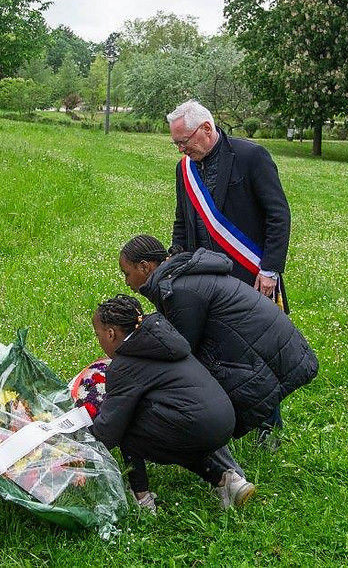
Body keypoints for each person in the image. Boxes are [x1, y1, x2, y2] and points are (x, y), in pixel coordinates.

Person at [117, 235, 319, 447]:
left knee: (225, 375)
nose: (126, 282)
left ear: (144, 267)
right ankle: (265, 429)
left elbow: (180, 350)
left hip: (269, 346)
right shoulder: (177, 277)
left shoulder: (180, 289)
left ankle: (267, 434)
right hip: (268, 341)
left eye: (127, 274)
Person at [167, 99, 292, 439]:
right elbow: (183, 219)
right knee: (215, 349)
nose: (181, 148)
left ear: (206, 129)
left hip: (249, 273)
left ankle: (270, 424)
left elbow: (278, 216)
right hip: (203, 277)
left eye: (184, 141)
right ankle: (232, 417)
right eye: (176, 143)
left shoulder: (252, 156)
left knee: (260, 351)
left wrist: (269, 271)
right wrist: (176, 260)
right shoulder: (185, 169)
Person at [89, 294, 255, 513]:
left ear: (111, 334)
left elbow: (109, 431)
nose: (98, 340)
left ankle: (142, 500)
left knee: (128, 426)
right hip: (224, 419)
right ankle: (227, 480)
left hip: (195, 424)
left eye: (97, 335)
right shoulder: (161, 339)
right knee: (172, 432)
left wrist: (77, 442)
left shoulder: (124, 366)